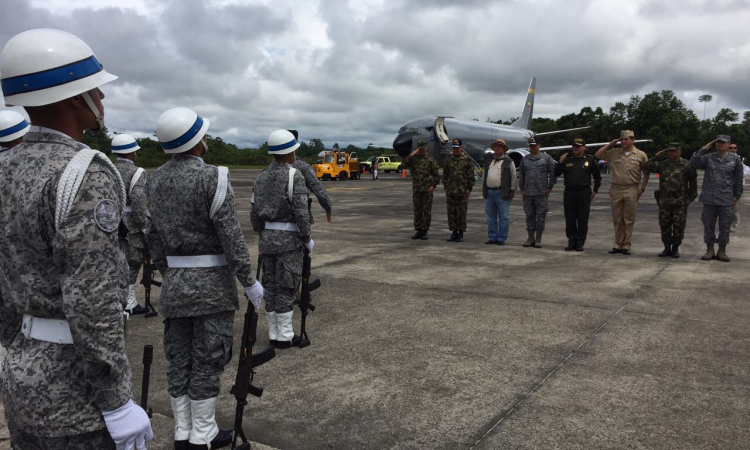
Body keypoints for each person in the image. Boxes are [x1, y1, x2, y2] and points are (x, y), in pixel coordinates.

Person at [0, 29, 152, 449]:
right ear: (73, 99)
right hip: (75, 397)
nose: (101, 99)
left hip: (21, 378)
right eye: (95, 91)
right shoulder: (84, 171)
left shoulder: (6, 166)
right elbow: (92, 298)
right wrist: (116, 401)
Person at [146, 107, 263, 449]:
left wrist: (171, 272)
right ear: (198, 141)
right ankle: (204, 434)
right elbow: (231, 237)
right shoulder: (214, 177)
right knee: (208, 359)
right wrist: (249, 281)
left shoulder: (154, 180)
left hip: (175, 286)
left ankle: (183, 432)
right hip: (212, 287)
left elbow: (152, 237)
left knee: (179, 358)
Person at [251, 129, 312, 349]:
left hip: (267, 239)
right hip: (288, 241)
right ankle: (285, 336)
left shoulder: (261, 176)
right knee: (286, 287)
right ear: (290, 152)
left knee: (271, 286)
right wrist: (306, 237)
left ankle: (274, 333)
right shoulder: (294, 176)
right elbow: (301, 212)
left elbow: (254, 213)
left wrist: (265, 233)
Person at [595, 130, 649, 255]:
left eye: (626, 139)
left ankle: (627, 244)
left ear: (632, 140)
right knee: (617, 218)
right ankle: (617, 243)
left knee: (629, 218)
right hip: (616, 188)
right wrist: (610, 144)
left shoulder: (640, 155)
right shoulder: (614, 153)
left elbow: (646, 172)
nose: (623, 141)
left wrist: (642, 188)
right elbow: (598, 155)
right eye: (622, 139)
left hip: (631, 188)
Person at [690, 135, 744, 262]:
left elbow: (738, 179)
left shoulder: (735, 159)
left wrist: (737, 195)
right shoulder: (708, 158)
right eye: (718, 142)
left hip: (726, 198)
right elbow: (693, 163)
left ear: (728, 144)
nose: (720, 144)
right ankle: (709, 250)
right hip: (709, 198)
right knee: (708, 225)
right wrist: (704, 149)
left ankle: (722, 250)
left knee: (725, 226)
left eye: (723, 142)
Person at [112, 133, 149, 315]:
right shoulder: (137, 172)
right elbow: (137, 201)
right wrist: (144, 227)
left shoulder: (108, 169)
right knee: (133, 262)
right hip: (130, 226)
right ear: (132, 152)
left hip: (111, 222)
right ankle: (129, 302)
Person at [643, 143, 697, 258]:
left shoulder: (687, 165)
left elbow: (693, 183)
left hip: (680, 201)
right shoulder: (663, 164)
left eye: (673, 151)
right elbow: (647, 166)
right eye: (669, 151)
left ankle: (675, 248)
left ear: (679, 152)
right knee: (665, 225)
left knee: (679, 226)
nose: (671, 153)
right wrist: (656, 156)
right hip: (665, 201)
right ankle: (667, 247)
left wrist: (690, 198)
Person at [554, 138, 601, 251]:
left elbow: (597, 177)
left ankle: (580, 241)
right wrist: (560, 162)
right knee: (569, 218)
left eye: (578, 146)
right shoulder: (567, 159)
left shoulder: (590, 159)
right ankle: (571, 240)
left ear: (584, 147)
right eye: (574, 146)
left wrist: (595, 190)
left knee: (582, 218)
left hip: (584, 192)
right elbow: (556, 173)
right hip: (569, 192)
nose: (575, 148)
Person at [288, 130, 332, 224]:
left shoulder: (266, 172)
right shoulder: (302, 166)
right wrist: (328, 208)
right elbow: (318, 189)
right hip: (298, 222)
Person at [519, 136, 556, 248]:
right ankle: (530, 238)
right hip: (528, 193)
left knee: (540, 216)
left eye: (534, 145)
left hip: (541, 193)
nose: (532, 147)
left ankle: (538, 238)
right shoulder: (525, 159)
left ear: (539, 145)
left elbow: (553, 173)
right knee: (529, 215)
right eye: (531, 145)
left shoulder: (546, 158)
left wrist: (550, 187)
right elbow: (521, 175)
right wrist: (522, 189)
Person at [402, 139, 440, 240]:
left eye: (423, 149)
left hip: (427, 190)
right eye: (420, 149)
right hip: (417, 189)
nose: (422, 151)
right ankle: (418, 230)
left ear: (426, 148)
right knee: (417, 211)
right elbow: (403, 165)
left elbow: (436, 175)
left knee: (426, 211)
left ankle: (425, 231)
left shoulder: (431, 159)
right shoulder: (414, 159)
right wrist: (411, 155)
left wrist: (433, 186)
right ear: (418, 149)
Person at [482, 138, 517, 245]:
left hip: (502, 192)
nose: (497, 148)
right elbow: (484, 176)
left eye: (499, 146)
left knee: (504, 217)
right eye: (496, 146)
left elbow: (514, 176)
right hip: (489, 192)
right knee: (490, 217)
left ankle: (501, 238)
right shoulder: (488, 162)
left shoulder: (509, 162)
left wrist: (512, 190)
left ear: (504, 149)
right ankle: (492, 237)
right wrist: (484, 190)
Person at [442, 138, 475, 242]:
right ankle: (453, 232)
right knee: (451, 213)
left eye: (457, 147)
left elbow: (470, 176)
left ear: (461, 147)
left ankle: (460, 233)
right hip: (451, 190)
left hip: (462, 191)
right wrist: (446, 187)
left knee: (461, 212)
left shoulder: (466, 159)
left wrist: (469, 188)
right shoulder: (449, 159)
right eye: (454, 147)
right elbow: (445, 175)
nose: (455, 149)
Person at [727, 143, 750, 231]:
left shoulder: (740, 159)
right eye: (731, 148)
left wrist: (739, 174)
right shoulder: (724, 158)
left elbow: (747, 170)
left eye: (734, 148)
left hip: (736, 187)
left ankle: (733, 224)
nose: (733, 149)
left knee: (734, 207)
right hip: (725, 187)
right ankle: (726, 223)